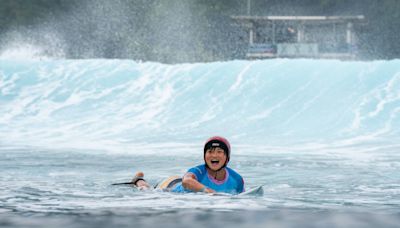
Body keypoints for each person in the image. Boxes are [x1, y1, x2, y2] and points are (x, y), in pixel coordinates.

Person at [131, 136, 245, 194]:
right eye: (210, 151)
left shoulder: (237, 179)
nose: (214, 155)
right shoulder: (199, 171)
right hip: (170, 188)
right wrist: (209, 192)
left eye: (219, 152)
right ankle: (138, 179)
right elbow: (186, 182)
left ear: (227, 157)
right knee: (146, 190)